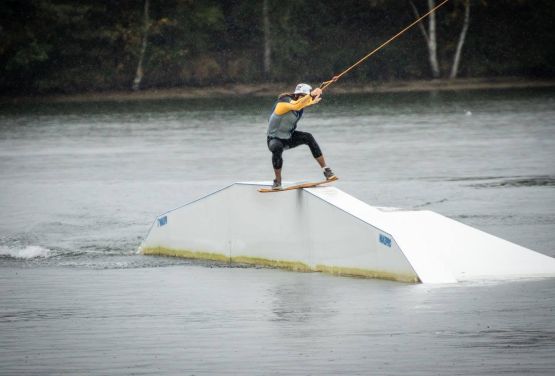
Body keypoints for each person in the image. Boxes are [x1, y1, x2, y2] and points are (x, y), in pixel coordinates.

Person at [266, 82, 336, 190]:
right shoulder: (283, 102)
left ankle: (326, 170)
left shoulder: (301, 103)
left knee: (308, 137)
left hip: (288, 138)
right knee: (277, 147)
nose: (305, 100)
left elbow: (305, 102)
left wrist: (319, 91)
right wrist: (311, 95)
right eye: (304, 97)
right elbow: (296, 105)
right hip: (274, 139)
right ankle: (277, 181)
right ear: (297, 95)